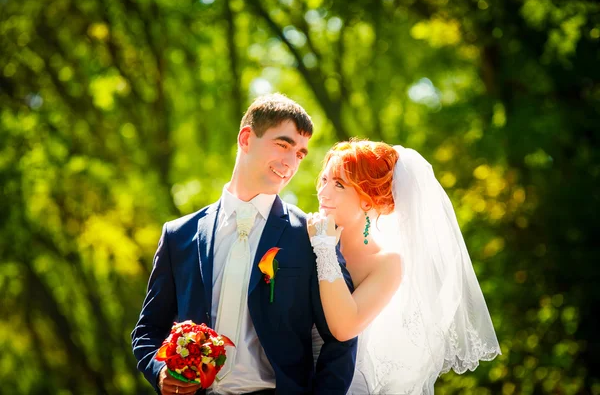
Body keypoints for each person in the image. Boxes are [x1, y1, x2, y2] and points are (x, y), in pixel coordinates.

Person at [132, 94, 357, 395]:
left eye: (300, 154)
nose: (291, 163)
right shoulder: (179, 235)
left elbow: (340, 338)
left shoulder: (312, 236)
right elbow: (148, 330)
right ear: (247, 138)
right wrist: (161, 372)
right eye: (283, 144)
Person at [309, 139, 501, 394]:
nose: (323, 193)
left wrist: (324, 248)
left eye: (339, 185)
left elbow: (344, 327)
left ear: (367, 200)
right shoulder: (306, 237)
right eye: (324, 180)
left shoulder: (387, 263)